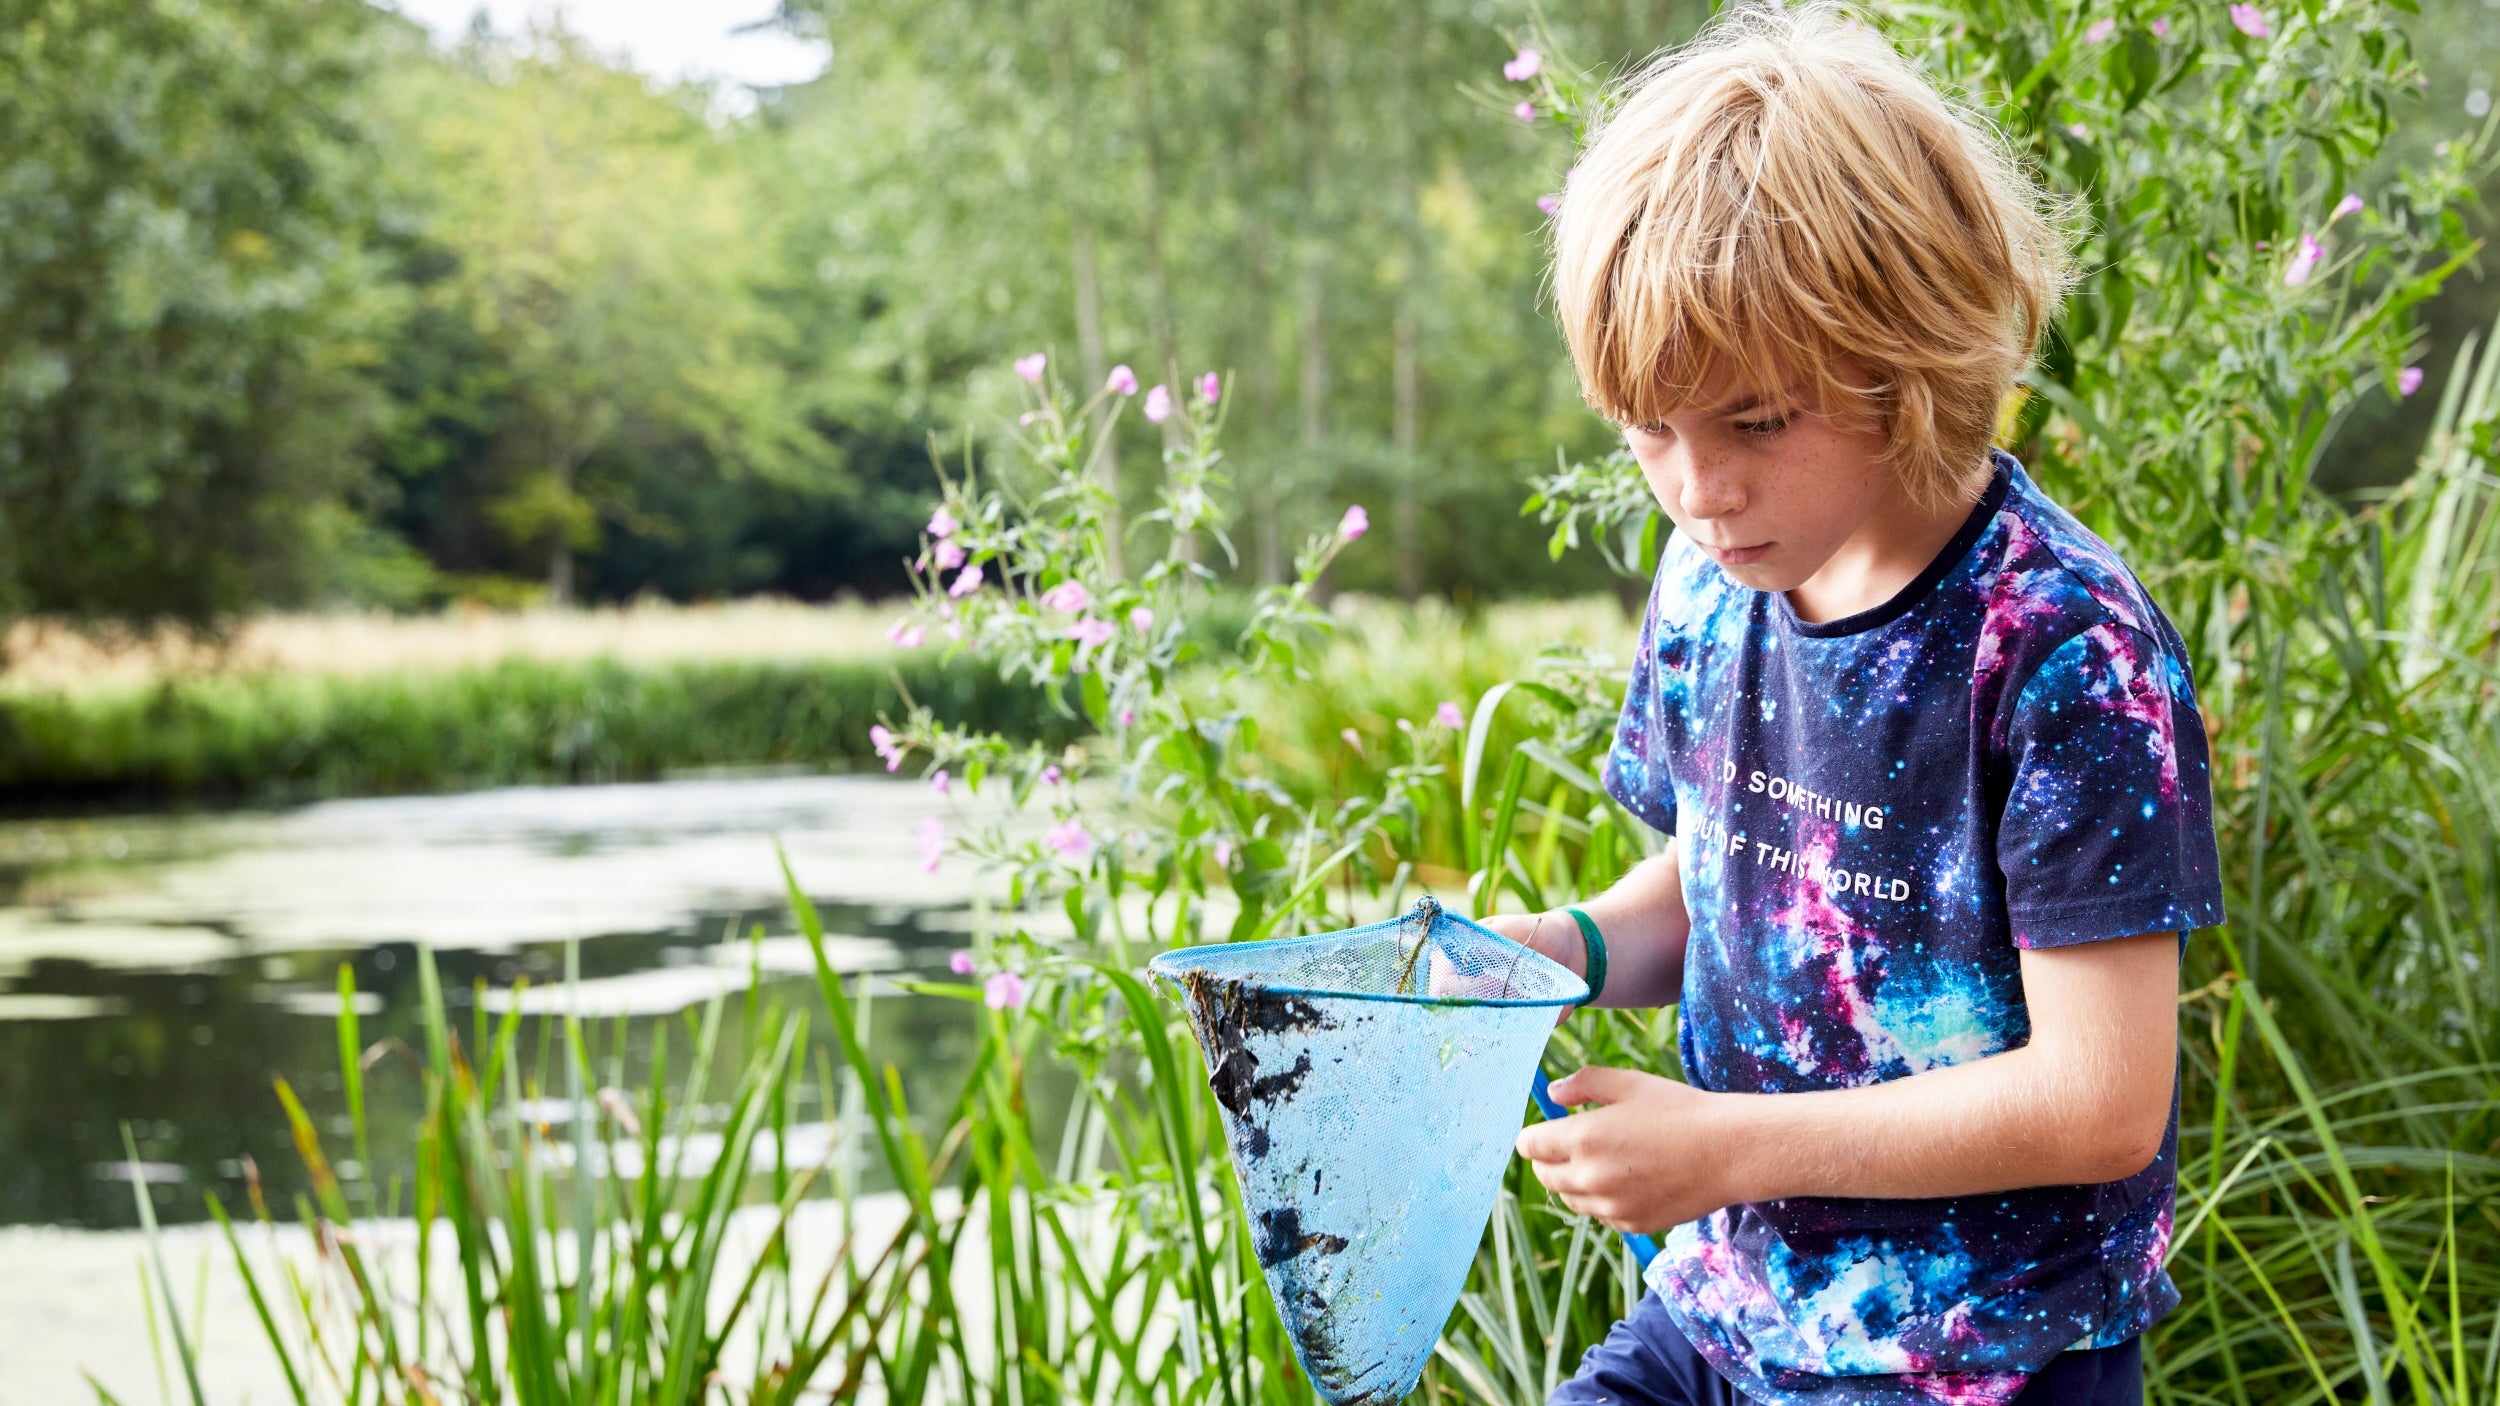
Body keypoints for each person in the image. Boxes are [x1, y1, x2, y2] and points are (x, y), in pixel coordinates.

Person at [1478, 7, 2225, 1404]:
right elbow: (1730, 878)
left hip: (1979, 1361)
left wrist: (1730, 1145)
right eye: (1648, 429)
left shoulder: (2062, 646)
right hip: (1723, 1317)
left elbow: (2102, 1099)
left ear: (1904, 353)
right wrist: (1554, 950)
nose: (1698, 491)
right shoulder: (1717, 582)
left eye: (1755, 422)